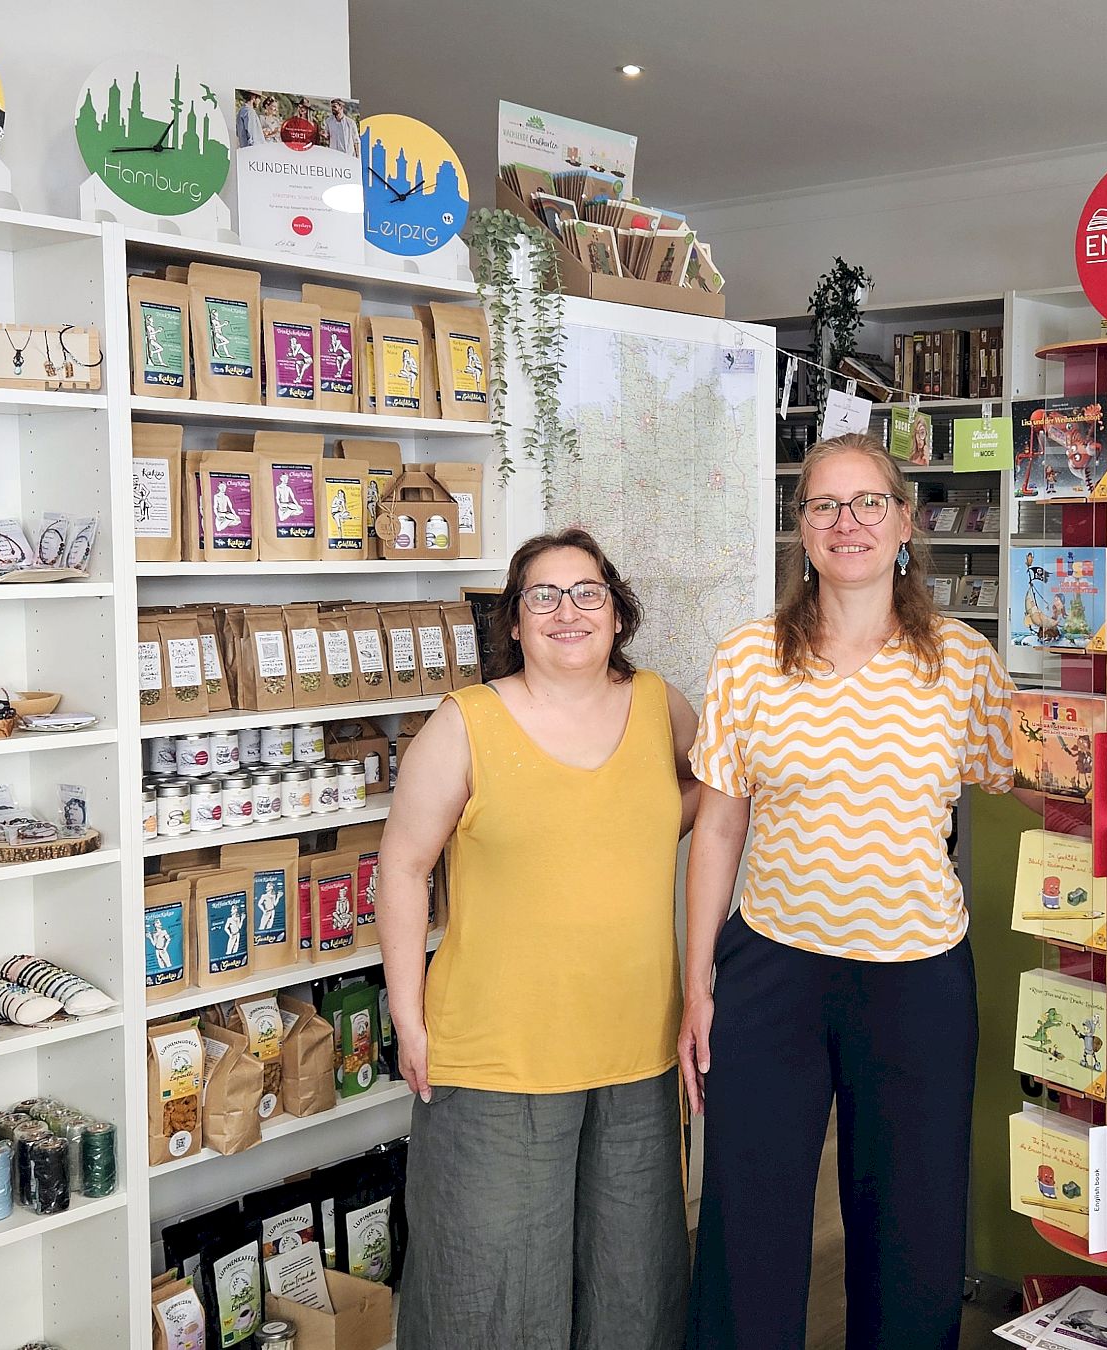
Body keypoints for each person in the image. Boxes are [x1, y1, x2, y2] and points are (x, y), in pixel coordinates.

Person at [684, 433, 1014, 1350]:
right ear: (802, 529)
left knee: (914, 1228)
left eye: (869, 502)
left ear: (906, 523)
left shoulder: (963, 662)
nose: (848, 522)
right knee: (749, 1220)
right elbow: (719, 826)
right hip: (772, 970)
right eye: (824, 505)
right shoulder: (749, 658)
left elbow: (1029, 780)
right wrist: (698, 983)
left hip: (918, 976)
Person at [375, 528, 700, 1350]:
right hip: (498, 1058)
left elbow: (705, 792)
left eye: (588, 593)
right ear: (515, 624)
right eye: (542, 596)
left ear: (617, 614)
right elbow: (403, 868)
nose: (568, 611)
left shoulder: (660, 705)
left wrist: (638, 829)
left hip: (637, 1052)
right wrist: (409, 1020)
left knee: (631, 1292)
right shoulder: (466, 723)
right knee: (488, 1294)